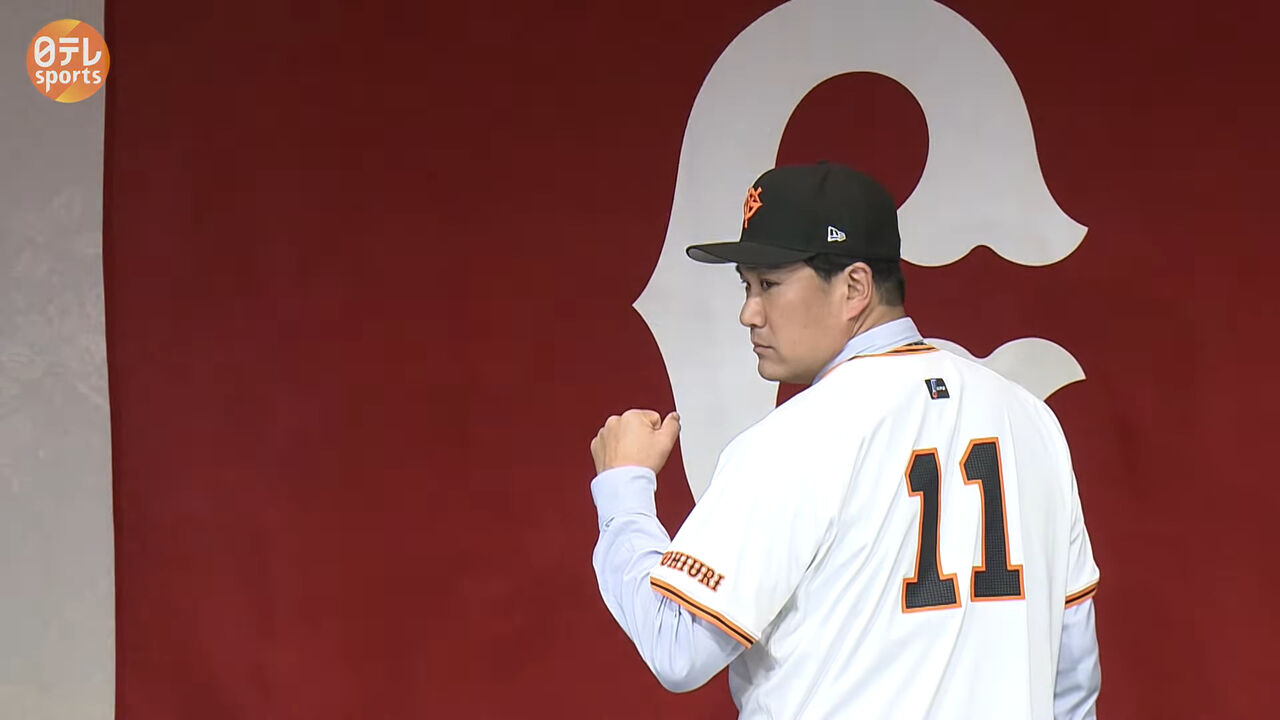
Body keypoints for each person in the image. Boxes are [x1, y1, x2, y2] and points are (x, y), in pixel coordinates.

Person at [588, 162, 1101, 719]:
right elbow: (1072, 677)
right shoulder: (1032, 421)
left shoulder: (797, 437)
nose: (748, 312)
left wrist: (624, 491)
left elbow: (677, 645)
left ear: (855, 287)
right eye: (746, 285)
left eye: (769, 284)